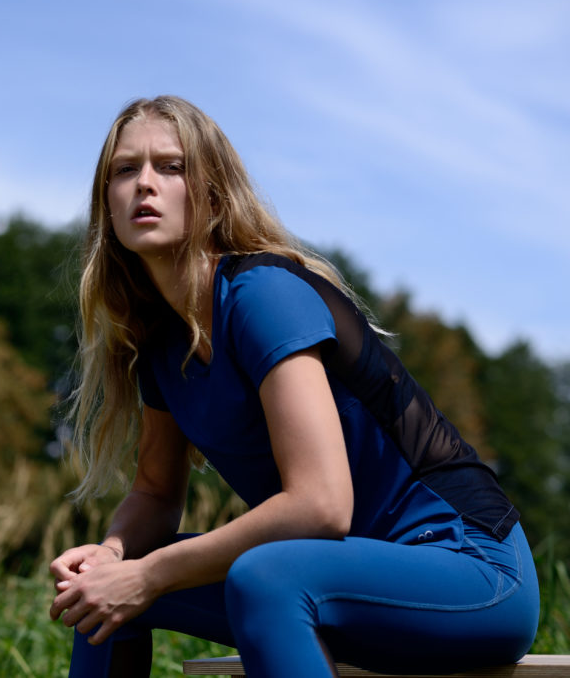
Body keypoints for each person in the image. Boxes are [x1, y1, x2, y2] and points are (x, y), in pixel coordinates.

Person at [48, 96, 539, 678]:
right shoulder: (160, 345)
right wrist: (113, 557)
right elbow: (155, 493)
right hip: (334, 581)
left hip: (471, 569)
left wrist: (150, 574)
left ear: (212, 193)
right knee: (99, 592)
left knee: (262, 574)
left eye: (171, 167)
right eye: (125, 170)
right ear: (106, 201)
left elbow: (320, 505)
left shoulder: (262, 295)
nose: (145, 184)